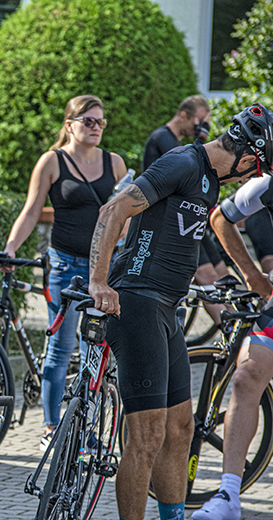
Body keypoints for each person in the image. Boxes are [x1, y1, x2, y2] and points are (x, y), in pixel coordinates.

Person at [86, 103, 271, 520]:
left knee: (181, 430)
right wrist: (98, 281)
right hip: (135, 300)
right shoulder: (184, 162)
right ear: (244, 155)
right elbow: (113, 210)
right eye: (253, 170)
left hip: (167, 308)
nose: (248, 178)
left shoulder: (207, 181)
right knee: (147, 436)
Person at [2, 94, 126, 450]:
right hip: (64, 266)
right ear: (69, 124)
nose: (96, 127)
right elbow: (30, 211)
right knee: (60, 347)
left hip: (102, 267)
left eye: (100, 122)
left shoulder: (114, 164)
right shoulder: (52, 161)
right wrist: (11, 246)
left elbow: (128, 215)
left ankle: (84, 426)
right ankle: (52, 427)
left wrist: (126, 250)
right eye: (88, 121)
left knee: (95, 349)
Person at [191, 106, 273, 520]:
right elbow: (221, 219)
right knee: (245, 375)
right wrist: (255, 277)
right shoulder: (267, 184)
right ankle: (228, 496)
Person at [143, 94, 229, 328]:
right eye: (198, 123)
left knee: (222, 272)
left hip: (190, 215)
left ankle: (239, 324)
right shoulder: (162, 138)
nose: (200, 129)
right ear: (183, 116)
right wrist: (203, 136)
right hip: (173, 221)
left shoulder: (177, 141)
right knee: (206, 276)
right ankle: (228, 327)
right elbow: (194, 165)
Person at [142, 95, 211, 170]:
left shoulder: (174, 140)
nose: (198, 128)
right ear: (182, 116)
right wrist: (200, 140)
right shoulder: (162, 136)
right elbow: (184, 169)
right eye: (197, 122)